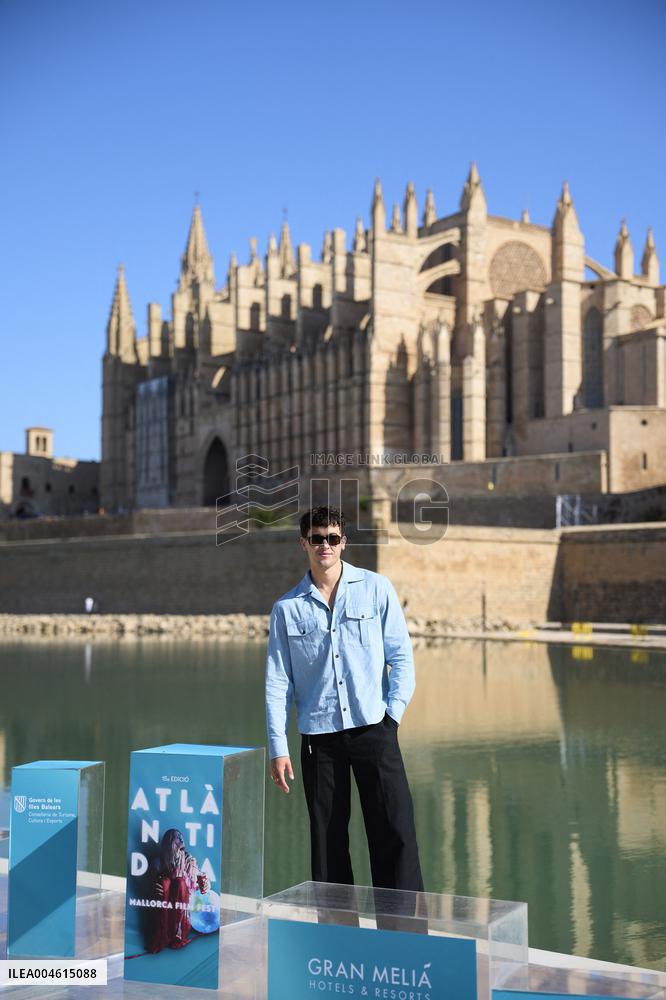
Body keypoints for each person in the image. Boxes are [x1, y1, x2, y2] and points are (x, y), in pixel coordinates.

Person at [265, 505, 424, 894]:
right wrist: (278, 746)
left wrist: (392, 717)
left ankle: (404, 928)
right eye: (317, 538)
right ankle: (336, 929)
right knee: (328, 844)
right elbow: (277, 681)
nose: (325, 545)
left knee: (395, 833)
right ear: (304, 543)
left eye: (332, 538)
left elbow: (402, 658)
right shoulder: (286, 609)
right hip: (319, 741)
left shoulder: (376, 588)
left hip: (375, 729)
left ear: (343, 542)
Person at [149, 828, 209, 952]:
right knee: (165, 882)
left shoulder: (189, 860)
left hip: (184, 912)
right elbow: (151, 888)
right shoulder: (158, 862)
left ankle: (179, 935)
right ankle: (162, 936)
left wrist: (205, 884)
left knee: (180, 882)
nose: (181, 839)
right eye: (177, 837)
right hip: (164, 911)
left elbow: (199, 884)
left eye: (182, 836)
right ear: (169, 842)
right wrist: (156, 887)